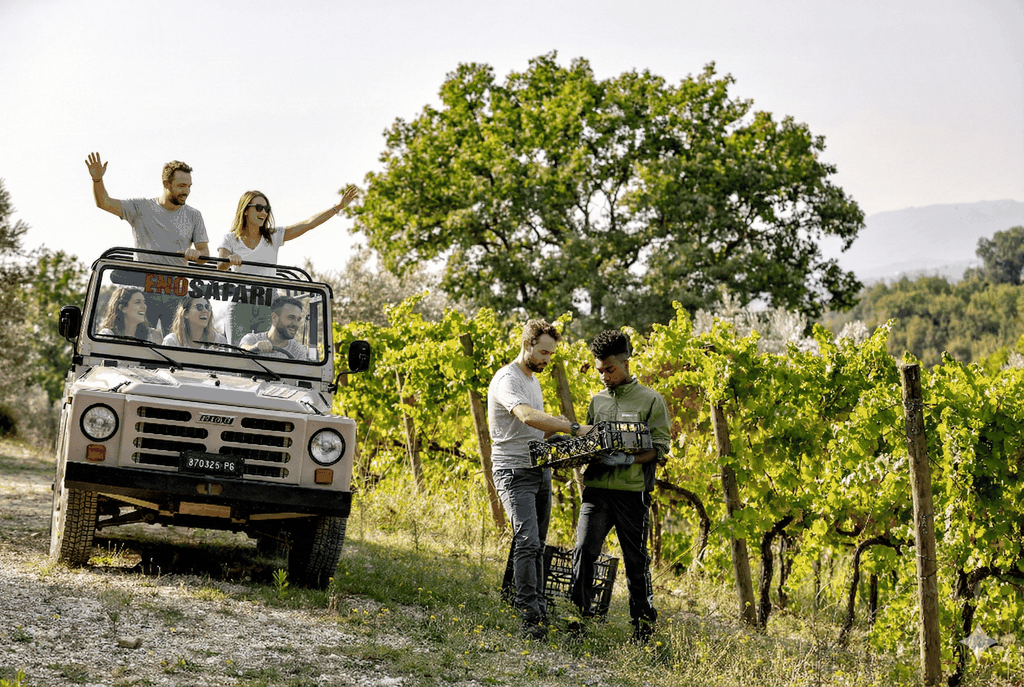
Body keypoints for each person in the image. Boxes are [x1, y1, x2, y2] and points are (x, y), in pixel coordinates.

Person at [487, 319, 593, 640]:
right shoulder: (507, 379)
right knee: (528, 541)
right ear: (528, 344)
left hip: (539, 468)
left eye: (551, 354)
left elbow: (538, 428)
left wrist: (561, 434)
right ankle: (531, 617)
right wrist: (572, 427)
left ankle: (515, 598)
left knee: (533, 542)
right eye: (544, 352)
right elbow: (526, 416)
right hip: (514, 472)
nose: (548, 359)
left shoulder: (534, 380)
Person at [570, 330, 671, 643]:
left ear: (626, 363)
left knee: (635, 561)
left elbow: (661, 447)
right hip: (597, 490)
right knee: (584, 550)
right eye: (599, 370)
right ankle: (577, 620)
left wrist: (628, 461)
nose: (603, 376)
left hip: (632, 494)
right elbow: (588, 441)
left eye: (609, 370)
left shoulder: (651, 400)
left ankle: (642, 628)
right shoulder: (597, 401)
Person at [86, 152, 210, 333]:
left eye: (189, 186)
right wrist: (97, 180)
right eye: (181, 185)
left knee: (174, 344)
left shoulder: (194, 215)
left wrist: (197, 255)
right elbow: (104, 203)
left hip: (175, 291)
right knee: (141, 341)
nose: (186, 191)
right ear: (166, 184)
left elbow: (204, 254)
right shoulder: (141, 207)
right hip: (143, 289)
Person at [215, 187, 357, 343]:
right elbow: (220, 265)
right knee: (237, 350)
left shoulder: (273, 236)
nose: (264, 213)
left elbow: (309, 224)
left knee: (268, 351)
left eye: (266, 209)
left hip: (267, 302)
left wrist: (338, 207)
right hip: (241, 302)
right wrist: (230, 259)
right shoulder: (230, 238)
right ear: (246, 210)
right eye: (259, 208)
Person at [237, 296, 308, 360]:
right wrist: (254, 347)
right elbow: (243, 348)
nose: (296, 324)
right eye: (291, 317)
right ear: (274, 318)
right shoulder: (253, 339)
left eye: (298, 319)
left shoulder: (299, 351)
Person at [96, 287, 160, 343]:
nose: (144, 306)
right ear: (122, 308)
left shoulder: (154, 336)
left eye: (144, 302)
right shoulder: (106, 336)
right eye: (137, 302)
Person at [161, 297, 227, 349]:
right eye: (199, 307)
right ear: (185, 313)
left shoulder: (219, 341)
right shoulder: (172, 341)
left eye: (207, 307)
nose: (205, 311)